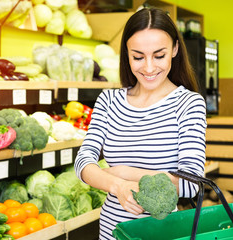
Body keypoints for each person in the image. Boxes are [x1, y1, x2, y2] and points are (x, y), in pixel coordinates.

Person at [74, 7, 207, 240]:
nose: (148, 67)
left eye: (159, 55)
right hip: (111, 232)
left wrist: (124, 172)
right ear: (126, 53)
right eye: (138, 57)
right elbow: (83, 162)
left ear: (175, 49)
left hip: (162, 233)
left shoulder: (188, 104)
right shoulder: (108, 100)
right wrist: (117, 185)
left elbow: (191, 182)